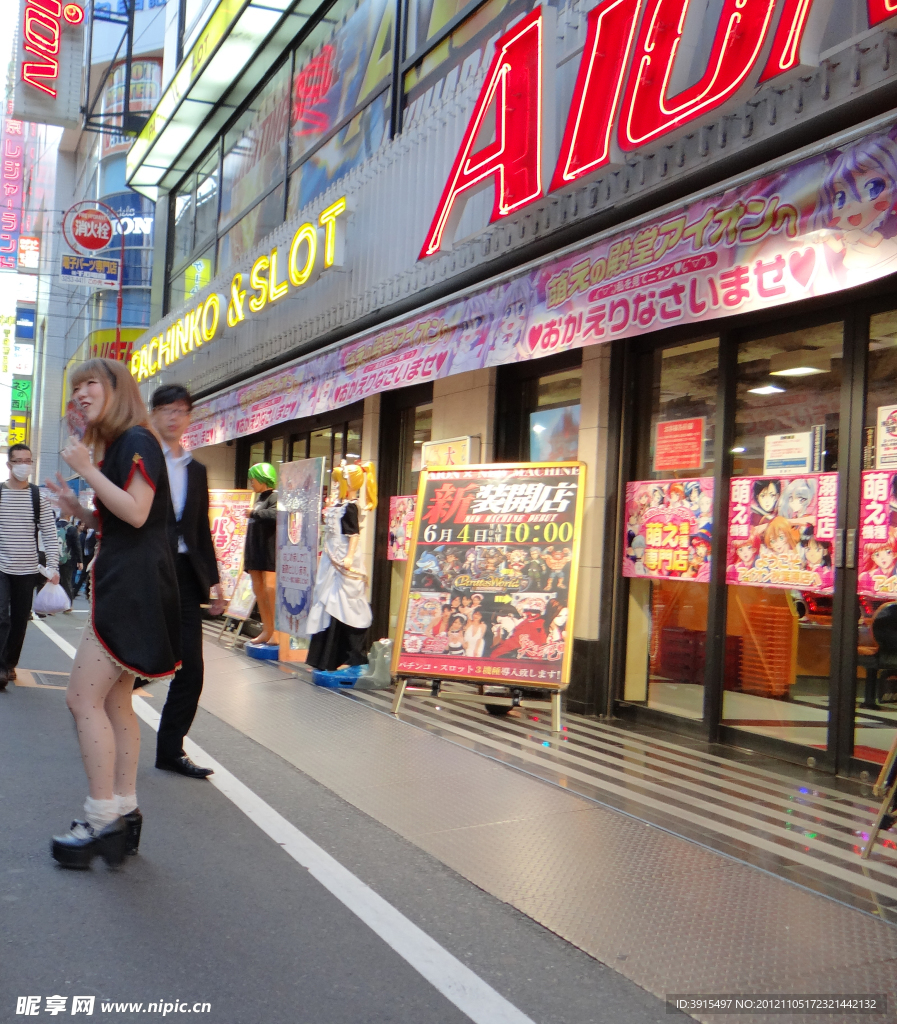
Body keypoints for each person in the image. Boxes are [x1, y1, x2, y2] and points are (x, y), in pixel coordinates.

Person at [45, 358, 181, 869]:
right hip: (136, 587)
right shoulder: (127, 445)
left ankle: (101, 818)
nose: (80, 394)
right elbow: (125, 519)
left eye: (90, 385)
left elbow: (138, 512)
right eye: (75, 385)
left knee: (82, 698)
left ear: (117, 390)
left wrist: (83, 471)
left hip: (131, 591)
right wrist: (79, 509)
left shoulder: (136, 441)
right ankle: (124, 811)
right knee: (116, 703)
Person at [151, 384, 225, 779]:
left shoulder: (197, 470)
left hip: (185, 575)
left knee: (191, 669)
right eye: (166, 409)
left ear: (189, 416)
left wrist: (214, 583)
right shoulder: (142, 458)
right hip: (147, 573)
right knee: (140, 659)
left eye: (181, 410)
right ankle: (97, 708)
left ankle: (170, 750)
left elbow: (201, 529)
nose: (174, 417)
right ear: (154, 415)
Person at [305, 461, 377, 671]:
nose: (335, 486)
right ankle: (323, 658)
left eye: (338, 482)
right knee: (327, 604)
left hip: (344, 563)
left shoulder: (351, 507)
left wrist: (349, 556)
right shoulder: (337, 505)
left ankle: (350, 657)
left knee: (345, 605)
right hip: (330, 561)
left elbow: (353, 534)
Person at [0, 443, 60, 688]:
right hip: (1, 567)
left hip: (28, 570)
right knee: (1, 617)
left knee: (19, 619)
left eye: (28, 460)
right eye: (18, 461)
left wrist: (53, 567)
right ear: (9, 464)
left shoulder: (38, 497)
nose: (24, 465)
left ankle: (10, 663)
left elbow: (50, 534)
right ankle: (1, 668)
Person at [243, 463, 279, 645]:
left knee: (270, 590)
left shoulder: (275, 497)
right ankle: (267, 629)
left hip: (270, 552)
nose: (251, 482)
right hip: (255, 552)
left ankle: (277, 632)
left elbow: (277, 515)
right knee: (258, 590)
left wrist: (254, 513)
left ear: (263, 478)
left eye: (253, 479)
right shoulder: (258, 498)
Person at [56, 514, 82, 608]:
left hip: (54, 558)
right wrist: (80, 561)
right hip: (68, 559)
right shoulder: (71, 528)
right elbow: (76, 546)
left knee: (55, 582)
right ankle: (68, 605)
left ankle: (54, 604)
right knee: (67, 582)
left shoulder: (54, 525)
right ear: (68, 517)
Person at [73, 523, 97, 599]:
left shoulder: (94, 533)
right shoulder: (84, 534)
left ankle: (83, 591)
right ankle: (83, 592)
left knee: (86, 575)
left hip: (91, 556)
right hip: (86, 557)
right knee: (84, 575)